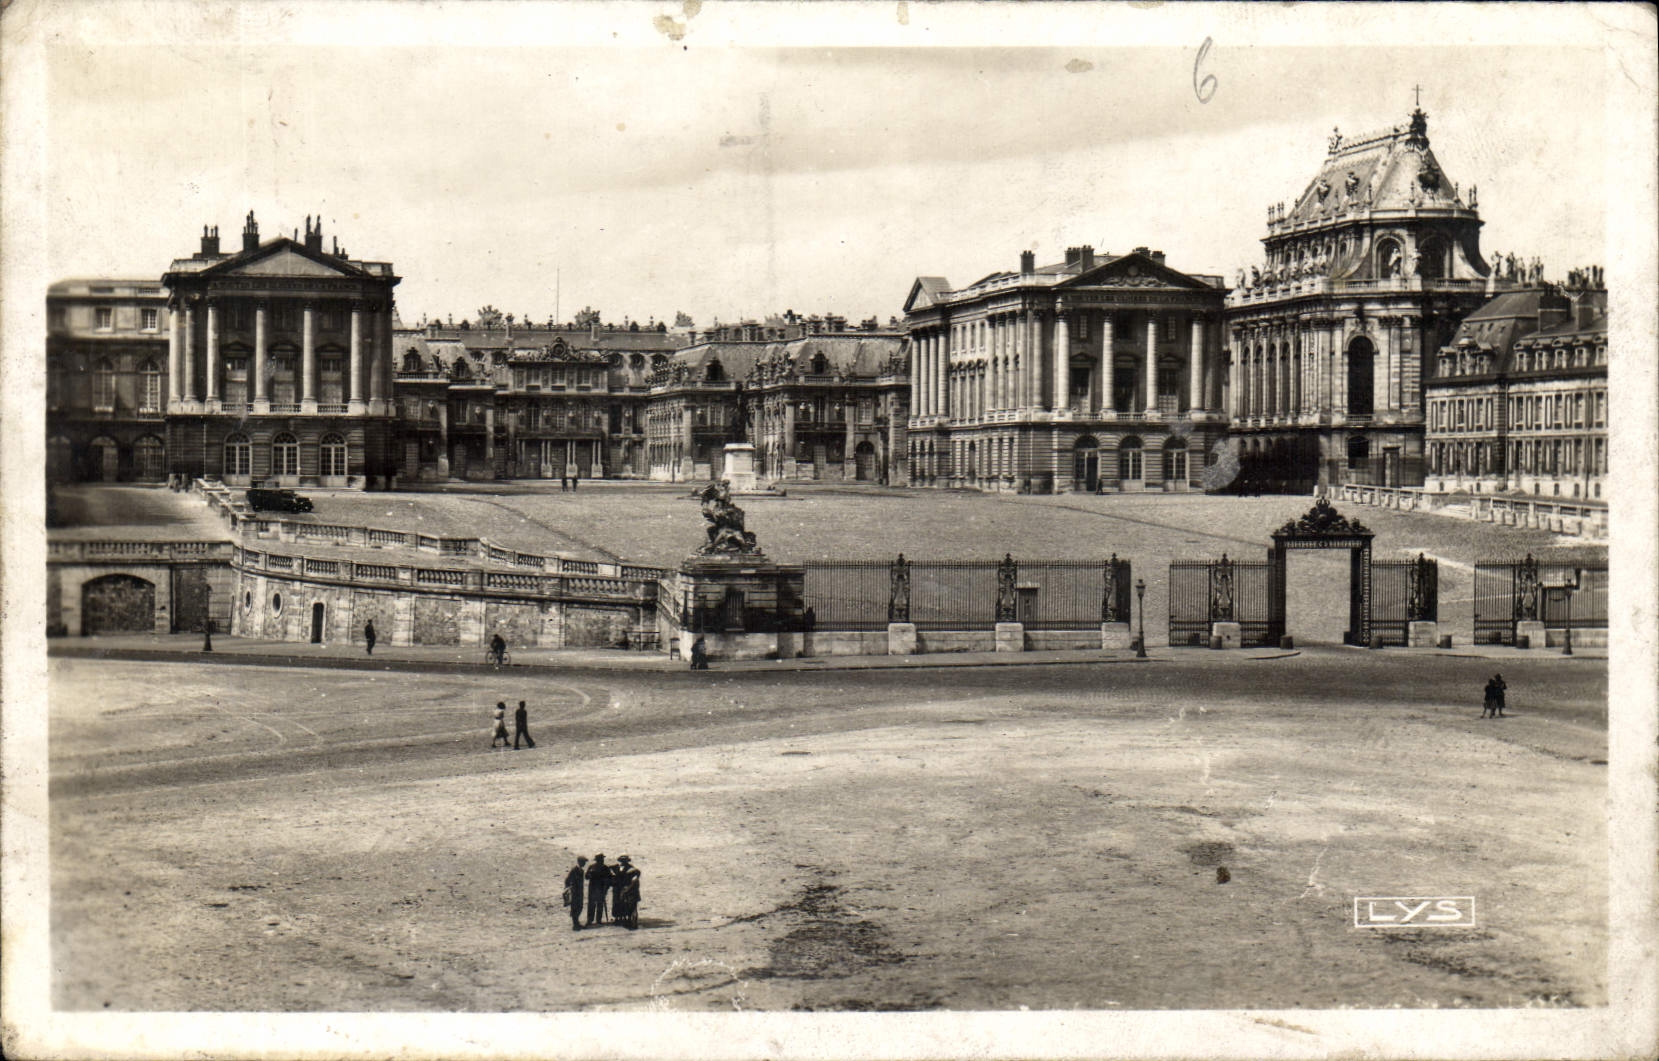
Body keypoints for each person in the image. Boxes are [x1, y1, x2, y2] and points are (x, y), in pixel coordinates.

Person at [614, 855, 641, 930]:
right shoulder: (619, 868)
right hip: (624, 890)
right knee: (626, 906)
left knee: (632, 908)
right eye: (622, 860)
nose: (623, 862)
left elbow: (634, 881)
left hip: (630, 891)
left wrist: (626, 889)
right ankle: (627, 921)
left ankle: (633, 923)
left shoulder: (632, 870)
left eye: (624, 860)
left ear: (627, 861)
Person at [585, 854, 611, 926]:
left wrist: (606, 888)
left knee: (600, 904)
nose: (602, 860)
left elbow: (609, 878)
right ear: (597, 860)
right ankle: (590, 920)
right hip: (592, 888)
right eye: (600, 859)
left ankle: (598, 920)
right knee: (591, 904)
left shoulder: (605, 868)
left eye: (602, 859)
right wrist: (590, 875)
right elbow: (586, 876)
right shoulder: (591, 867)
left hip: (601, 888)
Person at [563, 856, 587, 931]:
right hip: (574, 892)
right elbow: (567, 880)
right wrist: (569, 888)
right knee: (575, 908)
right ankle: (575, 924)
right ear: (580, 862)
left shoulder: (582, 871)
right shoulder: (574, 870)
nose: (584, 864)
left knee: (580, 907)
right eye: (583, 862)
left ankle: (577, 923)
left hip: (580, 892)